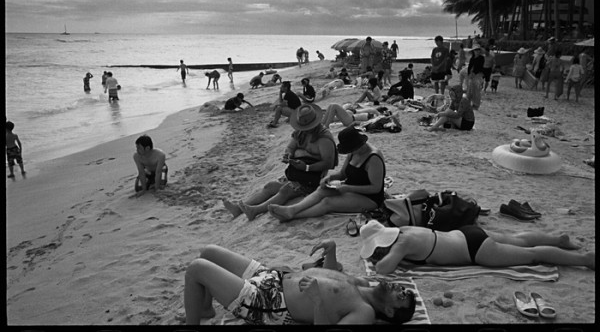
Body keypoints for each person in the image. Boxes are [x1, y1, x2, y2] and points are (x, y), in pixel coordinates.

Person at [183, 239, 416, 325]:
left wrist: (316, 301)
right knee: (209, 251)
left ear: (389, 311)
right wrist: (331, 251)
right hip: (273, 276)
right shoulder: (363, 284)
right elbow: (332, 277)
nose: (399, 288)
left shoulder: (363, 312)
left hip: (269, 303)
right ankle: (204, 308)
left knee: (196, 269)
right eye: (404, 289)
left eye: (402, 296)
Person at [224, 104, 337, 221]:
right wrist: (288, 154)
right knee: (270, 186)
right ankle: (238, 209)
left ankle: (255, 210)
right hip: (297, 172)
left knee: (286, 190)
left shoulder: (324, 138)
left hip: (313, 177)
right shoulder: (301, 133)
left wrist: (307, 167)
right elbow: (290, 147)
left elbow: (328, 163)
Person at [358, 221, 595, 274]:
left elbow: (383, 270)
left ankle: (585, 259)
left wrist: (382, 257)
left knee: (531, 256)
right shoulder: (405, 229)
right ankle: (557, 239)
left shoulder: (402, 244)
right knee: (518, 239)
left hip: (474, 251)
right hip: (466, 233)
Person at [269, 126, 386, 222]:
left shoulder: (373, 158)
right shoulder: (353, 152)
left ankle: (293, 216)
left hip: (370, 198)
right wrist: (330, 177)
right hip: (351, 189)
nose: (349, 152)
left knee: (327, 202)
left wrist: (347, 187)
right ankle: (292, 209)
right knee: (322, 190)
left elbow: (376, 188)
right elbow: (343, 174)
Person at [322, 103, 388, 128]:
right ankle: (323, 123)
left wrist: (352, 124)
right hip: (350, 117)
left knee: (334, 106)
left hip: (350, 120)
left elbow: (364, 123)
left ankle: (326, 125)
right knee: (331, 106)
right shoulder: (374, 116)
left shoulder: (375, 118)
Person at [466, 44, 484, 110]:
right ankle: (468, 103)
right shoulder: (472, 58)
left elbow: (480, 67)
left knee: (476, 90)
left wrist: (474, 73)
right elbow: (469, 67)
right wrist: (469, 74)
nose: (477, 51)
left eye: (478, 50)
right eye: (476, 50)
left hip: (478, 75)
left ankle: (476, 104)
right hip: (471, 75)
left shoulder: (481, 58)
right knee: (470, 90)